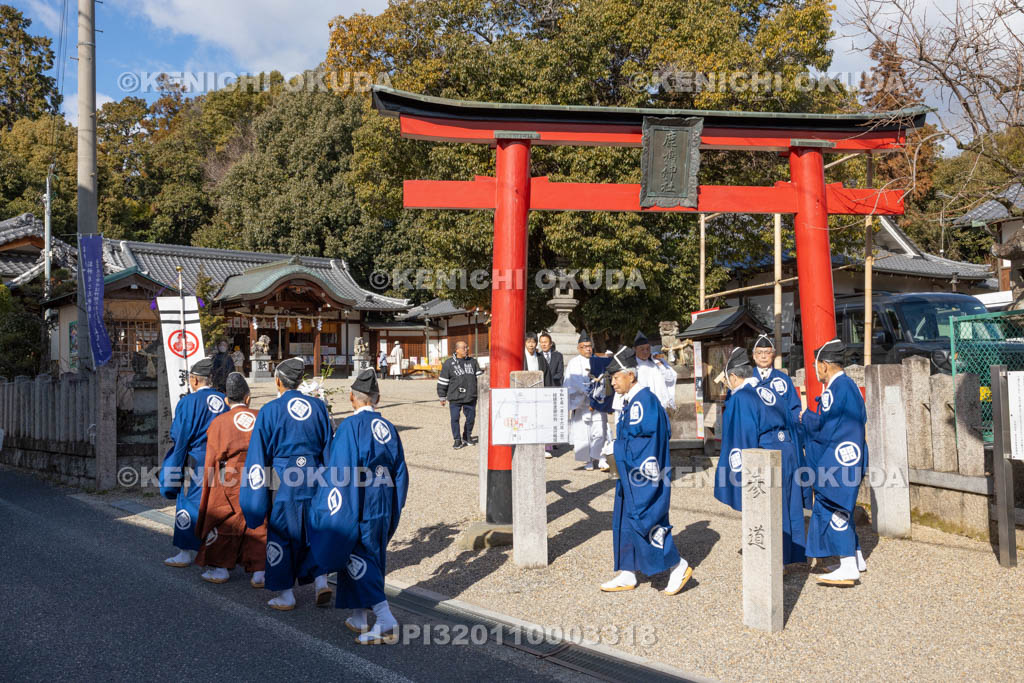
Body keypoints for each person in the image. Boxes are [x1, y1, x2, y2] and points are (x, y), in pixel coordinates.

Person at [310, 369, 409, 645]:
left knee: (356, 554)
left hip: (357, 498)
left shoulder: (350, 428)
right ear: (377, 397)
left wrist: (334, 510)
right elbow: (401, 472)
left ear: (352, 398)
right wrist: (394, 506)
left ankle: (384, 615)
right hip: (383, 498)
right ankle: (358, 616)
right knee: (373, 555)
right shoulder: (388, 427)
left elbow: (340, 472)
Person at [240, 357, 334, 610]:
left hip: (284, 476)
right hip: (314, 473)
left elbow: (258, 455)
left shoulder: (270, 409)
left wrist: (254, 497)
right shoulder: (318, 407)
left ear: (278, 381)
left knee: (282, 532)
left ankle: (286, 594)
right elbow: (329, 448)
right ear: (300, 381)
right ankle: (321, 581)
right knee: (314, 528)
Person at [600, 346, 692, 595]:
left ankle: (677, 565)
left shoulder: (645, 401)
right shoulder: (633, 400)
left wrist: (617, 448)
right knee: (626, 517)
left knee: (645, 518)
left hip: (643, 473)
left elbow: (648, 443)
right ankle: (628, 572)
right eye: (611, 378)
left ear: (631, 375)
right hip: (630, 472)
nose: (613, 382)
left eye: (616, 377)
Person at [713, 347, 807, 565]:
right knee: (788, 504)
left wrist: (740, 469)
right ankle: (791, 553)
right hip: (787, 449)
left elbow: (743, 435)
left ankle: (775, 560)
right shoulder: (767, 390)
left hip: (765, 452)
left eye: (727, 382)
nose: (728, 386)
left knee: (770, 506)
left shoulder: (742, 397)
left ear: (734, 377)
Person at [801, 339, 869, 586]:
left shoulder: (833, 390)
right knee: (844, 506)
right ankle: (856, 557)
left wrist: (806, 417)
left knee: (832, 507)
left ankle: (848, 564)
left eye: (816, 365)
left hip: (837, 462)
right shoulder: (849, 386)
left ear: (826, 365)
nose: (816, 370)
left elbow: (825, 428)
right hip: (852, 456)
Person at [195, 373, 268, 586]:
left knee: (225, 521)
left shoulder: (219, 422)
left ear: (226, 401)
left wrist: (208, 484)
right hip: (259, 474)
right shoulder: (261, 416)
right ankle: (259, 570)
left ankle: (221, 569)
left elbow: (213, 457)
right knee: (259, 521)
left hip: (230, 476)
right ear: (248, 398)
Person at [159, 358, 228, 568]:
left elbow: (179, 433)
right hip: (222, 461)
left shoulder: (188, 402)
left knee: (189, 503)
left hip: (196, 458)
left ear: (194, 380)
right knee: (217, 505)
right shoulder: (225, 400)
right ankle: (218, 556)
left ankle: (186, 551)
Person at [751, 333, 809, 509]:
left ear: (773, 355)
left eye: (767, 352)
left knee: (789, 489)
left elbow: (794, 408)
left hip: (784, 440)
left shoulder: (783, 379)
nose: (763, 356)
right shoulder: (748, 380)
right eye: (759, 352)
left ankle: (792, 535)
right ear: (753, 355)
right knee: (763, 489)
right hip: (760, 440)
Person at [564, 331, 608, 471]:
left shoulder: (598, 361)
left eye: (589, 346)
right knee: (583, 433)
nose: (588, 349)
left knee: (600, 432)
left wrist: (596, 394)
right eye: (584, 346)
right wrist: (586, 391)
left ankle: (600, 457)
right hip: (581, 404)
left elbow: (604, 380)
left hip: (597, 404)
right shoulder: (574, 363)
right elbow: (572, 382)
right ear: (579, 348)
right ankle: (587, 460)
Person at [437, 341, 483, 449]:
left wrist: (482, 392)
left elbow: (480, 379)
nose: (466, 350)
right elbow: (443, 381)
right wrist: (442, 396)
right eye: (464, 348)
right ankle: (457, 439)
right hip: (455, 396)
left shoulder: (473, 362)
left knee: (471, 418)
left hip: (470, 396)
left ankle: (467, 436)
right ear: (457, 350)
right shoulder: (449, 363)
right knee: (454, 418)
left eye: (467, 347)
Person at [633, 331, 677, 410]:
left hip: (662, 406)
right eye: (642, 349)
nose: (645, 352)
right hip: (645, 407)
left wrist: (658, 362)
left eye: (648, 348)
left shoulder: (656, 363)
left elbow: (670, 379)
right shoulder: (633, 367)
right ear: (635, 349)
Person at [538, 332, 564, 458]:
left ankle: (554, 440)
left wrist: (550, 381)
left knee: (554, 417)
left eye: (545, 342)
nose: (543, 344)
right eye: (541, 342)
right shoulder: (537, 356)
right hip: (541, 390)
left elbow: (560, 373)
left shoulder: (558, 356)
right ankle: (546, 446)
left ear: (551, 343)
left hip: (554, 388)